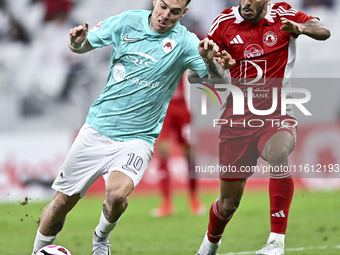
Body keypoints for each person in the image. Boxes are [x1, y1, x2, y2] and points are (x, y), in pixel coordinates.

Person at [30, 0, 228, 254]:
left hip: (137, 139)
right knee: (61, 203)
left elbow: (219, 83)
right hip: (96, 129)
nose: (166, 15)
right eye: (163, 6)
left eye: (175, 12)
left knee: (116, 196)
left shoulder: (187, 42)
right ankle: (36, 251)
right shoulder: (127, 21)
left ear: (184, 13)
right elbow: (82, 46)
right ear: (155, 1)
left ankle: (101, 238)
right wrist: (76, 42)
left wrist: (210, 62)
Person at [194, 1, 330, 255]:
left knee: (279, 154)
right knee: (228, 204)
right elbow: (209, 80)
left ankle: (276, 242)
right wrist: (212, 62)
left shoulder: (284, 15)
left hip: (276, 113)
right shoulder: (223, 23)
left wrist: (300, 28)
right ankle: (210, 244)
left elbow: (323, 31)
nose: (245, 2)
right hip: (236, 122)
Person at [152, 72, 205, 217]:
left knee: (190, 153)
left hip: (185, 107)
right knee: (162, 150)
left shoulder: (186, 51)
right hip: (164, 107)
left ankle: (194, 199)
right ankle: (166, 203)